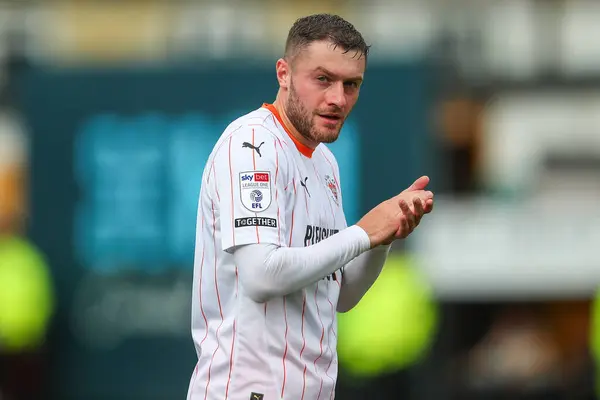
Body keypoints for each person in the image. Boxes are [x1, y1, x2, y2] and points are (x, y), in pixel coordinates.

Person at [186, 13, 434, 400]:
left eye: (351, 85)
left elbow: (343, 295)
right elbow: (261, 275)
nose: (338, 98)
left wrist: (383, 237)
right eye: (323, 79)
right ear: (283, 73)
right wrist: (362, 232)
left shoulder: (324, 163)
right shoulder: (252, 145)